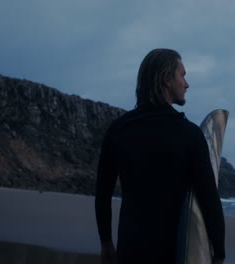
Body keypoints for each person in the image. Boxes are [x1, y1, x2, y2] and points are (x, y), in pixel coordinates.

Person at [95, 48, 225, 264]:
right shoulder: (189, 135)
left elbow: (102, 193)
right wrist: (219, 253)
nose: (187, 83)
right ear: (166, 79)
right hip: (173, 255)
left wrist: (106, 243)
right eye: (182, 75)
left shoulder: (119, 129)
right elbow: (209, 199)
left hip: (131, 251)